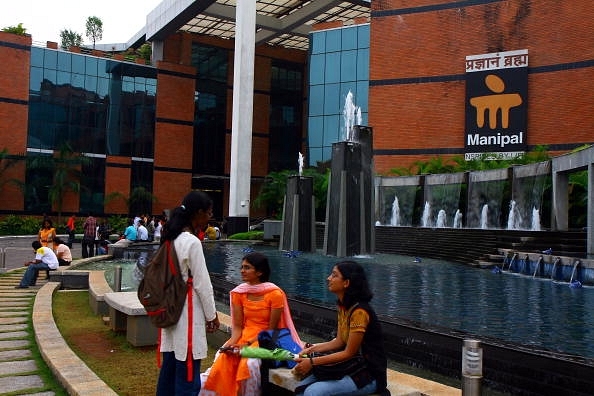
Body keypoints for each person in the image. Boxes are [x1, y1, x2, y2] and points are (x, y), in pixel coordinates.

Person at [200, 252, 303, 396]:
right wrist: (231, 343)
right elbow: (237, 327)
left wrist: (246, 346)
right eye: (241, 267)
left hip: (264, 339)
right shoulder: (238, 293)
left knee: (249, 364)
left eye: (247, 267)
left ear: (260, 272)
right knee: (222, 356)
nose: (242, 270)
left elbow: (271, 330)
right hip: (244, 335)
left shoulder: (275, 294)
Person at [156, 191, 220, 395]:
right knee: (188, 373)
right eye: (209, 214)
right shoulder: (191, 242)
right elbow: (202, 283)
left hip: (170, 311)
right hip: (188, 313)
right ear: (198, 213)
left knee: (169, 369)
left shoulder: (168, 238)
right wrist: (212, 315)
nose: (209, 218)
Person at [293, 261, 389, 396]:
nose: (328, 278)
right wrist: (310, 349)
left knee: (312, 392)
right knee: (300, 389)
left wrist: (312, 361)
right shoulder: (344, 307)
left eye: (334, 275)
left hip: (367, 374)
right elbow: (339, 341)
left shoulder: (360, 312)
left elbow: (348, 352)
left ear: (346, 283)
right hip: (348, 367)